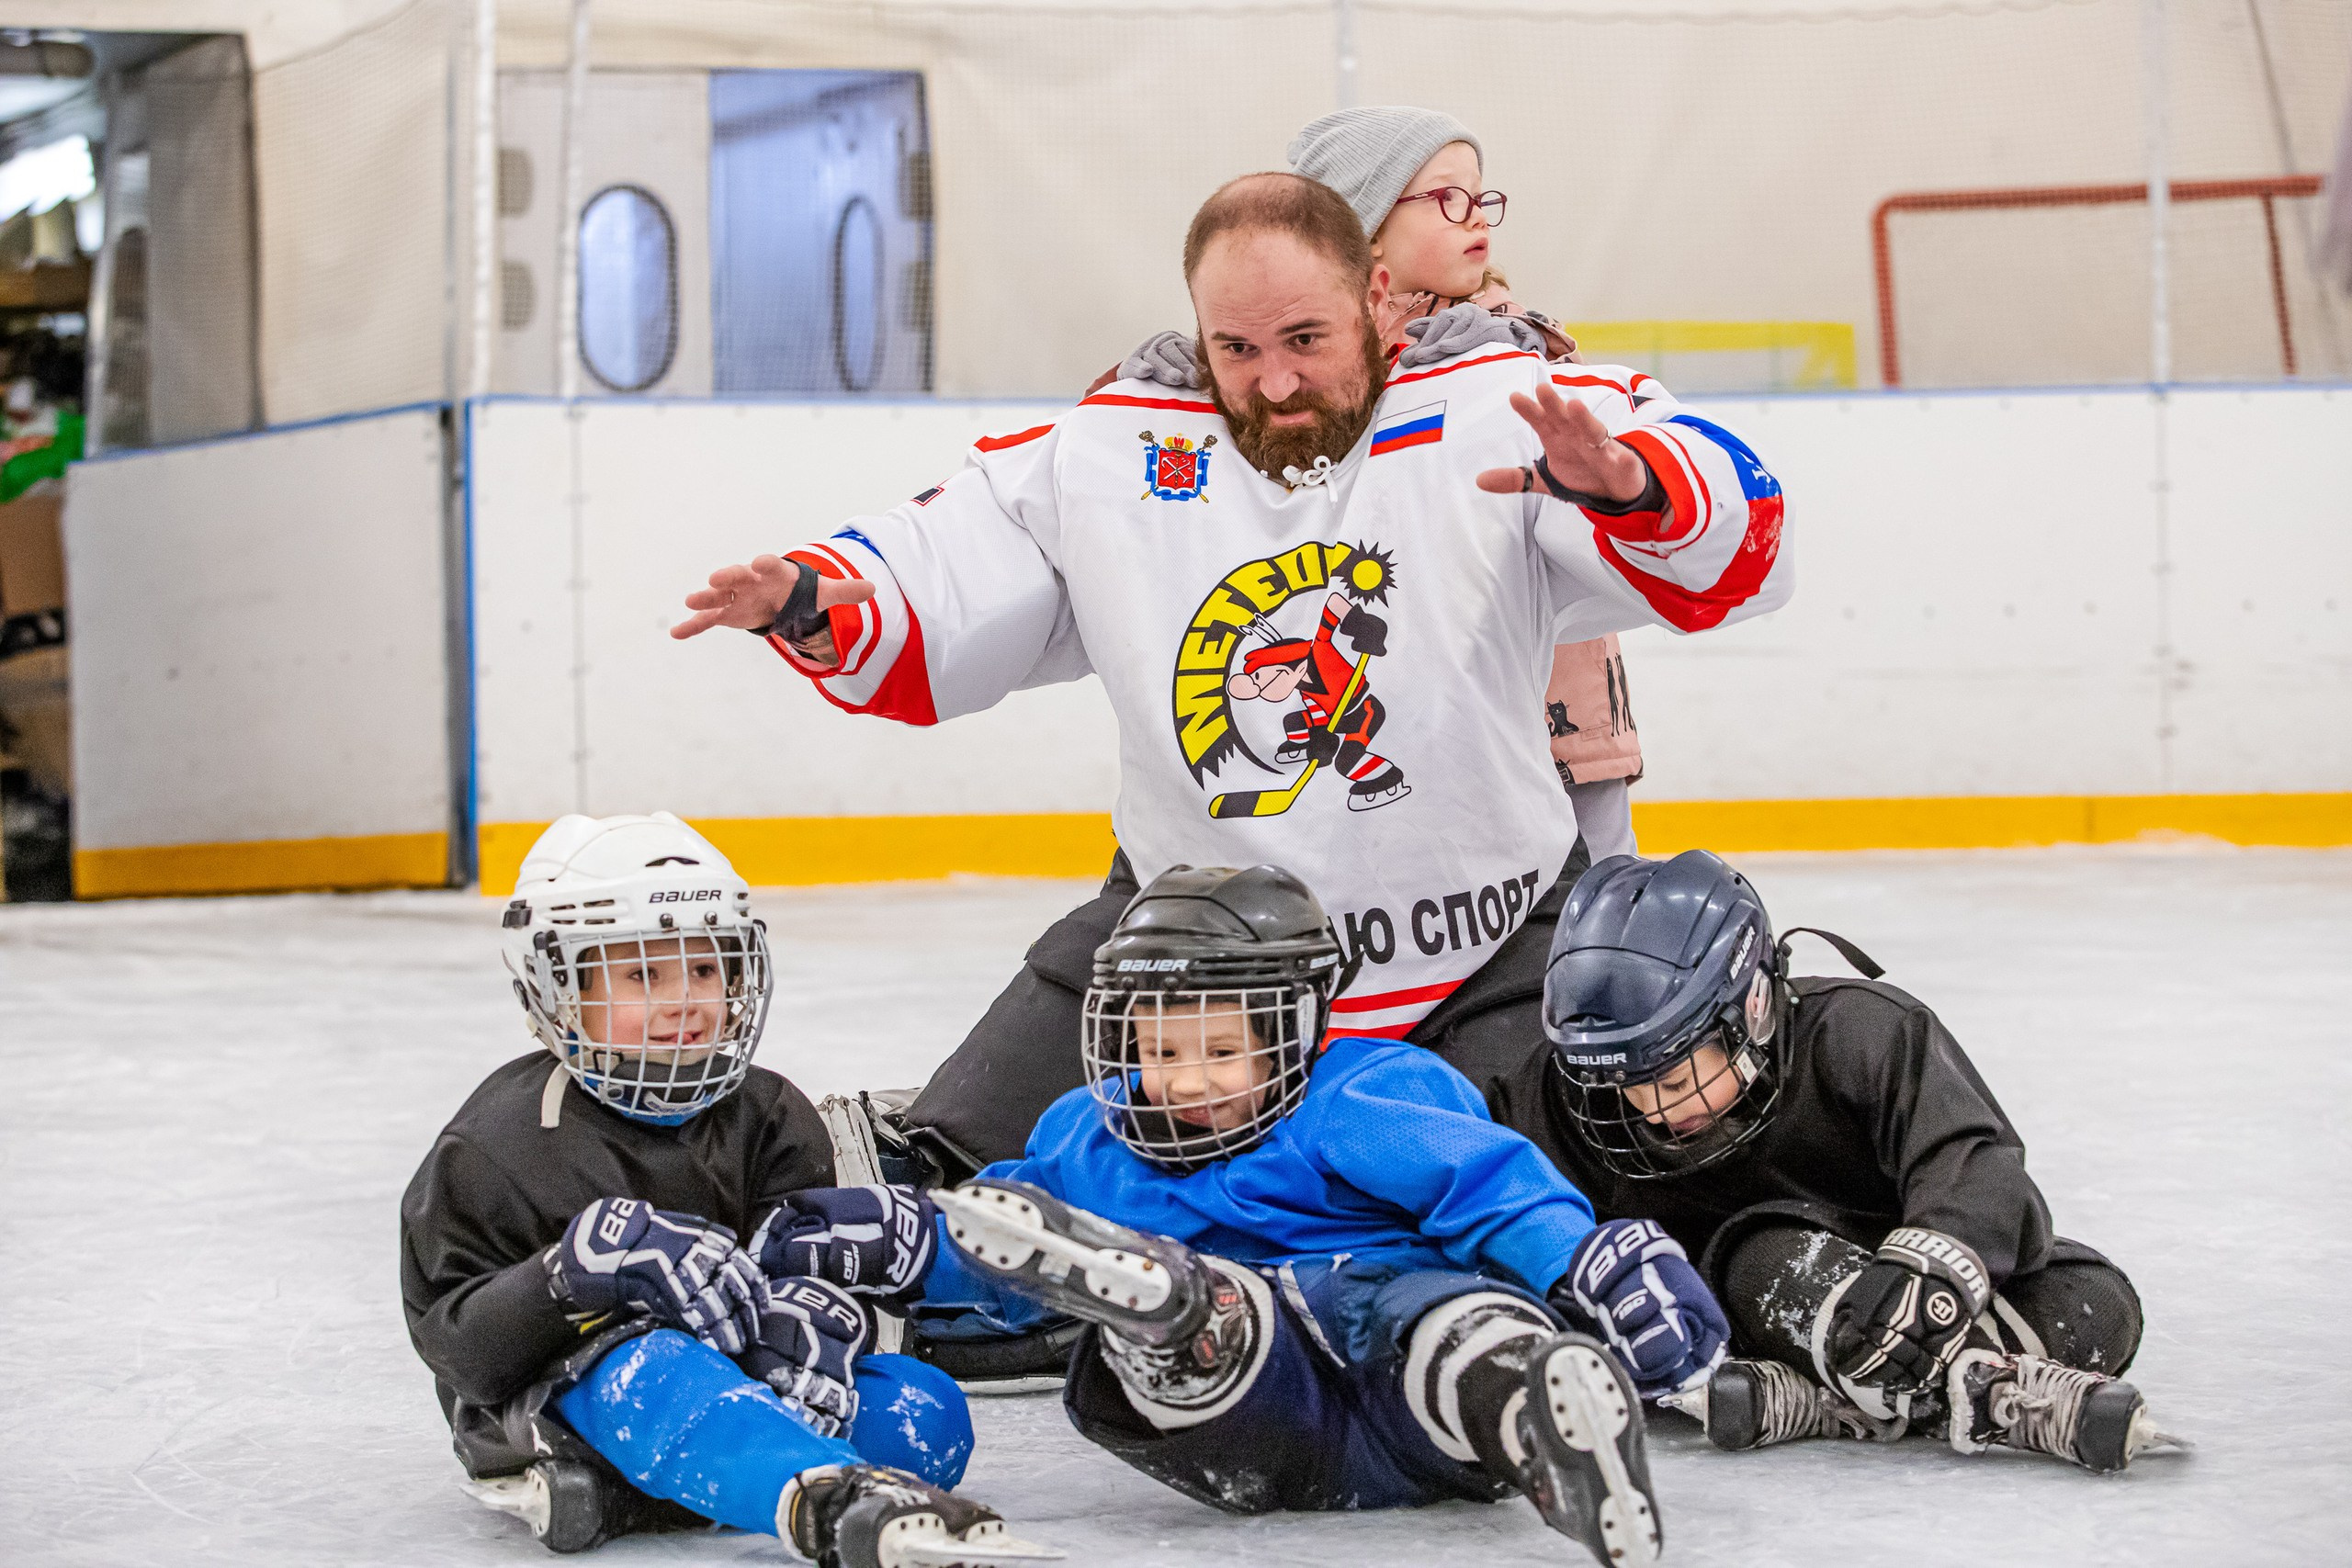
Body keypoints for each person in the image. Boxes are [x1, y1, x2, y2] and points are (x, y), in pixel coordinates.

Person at [671, 172, 1790, 1196]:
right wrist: (815, 596)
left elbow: (1729, 529)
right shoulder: (1114, 448)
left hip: (1479, 949)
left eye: (1305, 337)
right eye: (1237, 348)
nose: (1276, 380)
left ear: (1379, 300)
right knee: (957, 1196)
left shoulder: (1493, 405)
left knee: (1608, 1199)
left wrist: (1635, 485)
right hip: (1191, 963)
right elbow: (955, 562)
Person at [766, 864, 1735, 1567]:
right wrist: (912, 1240)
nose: (1184, 1083)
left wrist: (1583, 1266)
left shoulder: (1364, 1099)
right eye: (1159, 1050)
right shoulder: (1089, 1139)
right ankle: (1178, 1316)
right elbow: (1007, 1256)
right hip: (1254, 1432)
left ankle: (1534, 1412)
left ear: (1298, 1029)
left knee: (1446, 1319)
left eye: (1220, 1053)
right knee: (1173, 1340)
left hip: (1390, 1352)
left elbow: (1492, 1189)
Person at [397, 812, 1053, 1562]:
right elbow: (460, 1353)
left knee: (921, 1411)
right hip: (566, 1397)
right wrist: (569, 1279)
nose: (686, 1000)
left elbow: (789, 1278)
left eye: (706, 968)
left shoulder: (772, 1113)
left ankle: (651, 1491)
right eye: (644, 973)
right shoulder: (496, 1143)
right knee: (659, 1368)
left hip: (738, 1379)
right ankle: (824, 1503)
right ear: (559, 986)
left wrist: (816, 1311)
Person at [1504, 848, 2183, 1473]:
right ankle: (1986, 1393)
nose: (1650, 1109)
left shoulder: (1865, 1032)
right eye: (1625, 1083)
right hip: (1759, 1306)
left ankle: (1831, 1402)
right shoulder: (1561, 1100)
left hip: (1898, 1284)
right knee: (1768, 1255)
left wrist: (1935, 1264)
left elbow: (1977, 1165)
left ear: (1752, 1010)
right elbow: (1515, 1221)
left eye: (1676, 1078)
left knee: (2100, 1298)